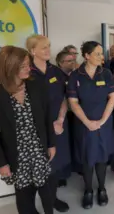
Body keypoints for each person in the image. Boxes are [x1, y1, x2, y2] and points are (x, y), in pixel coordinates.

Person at [0, 46, 56, 214]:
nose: (28, 69)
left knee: (46, 192)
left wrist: (51, 144)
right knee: (24, 197)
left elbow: (47, 118)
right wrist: (1, 162)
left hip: (38, 150)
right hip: (17, 154)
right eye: (23, 66)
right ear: (9, 66)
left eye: (28, 64)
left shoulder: (36, 85)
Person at [67, 41, 114, 209]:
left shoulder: (106, 74)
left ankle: (102, 188)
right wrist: (88, 122)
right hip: (84, 124)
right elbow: (73, 103)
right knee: (87, 158)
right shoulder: (75, 75)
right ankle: (88, 190)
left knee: (102, 157)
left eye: (102, 54)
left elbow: (112, 99)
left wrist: (101, 121)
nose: (102, 57)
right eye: (98, 54)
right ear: (87, 56)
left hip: (104, 123)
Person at [26, 35, 70, 212]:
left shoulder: (55, 71)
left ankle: (52, 199)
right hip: (37, 130)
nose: (48, 50)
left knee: (55, 166)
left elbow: (65, 98)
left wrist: (59, 120)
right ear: (32, 51)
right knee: (40, 167)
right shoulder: (26, 74)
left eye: (48, 46)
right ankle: (40, 201)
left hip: (57, 128)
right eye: (43, 47)